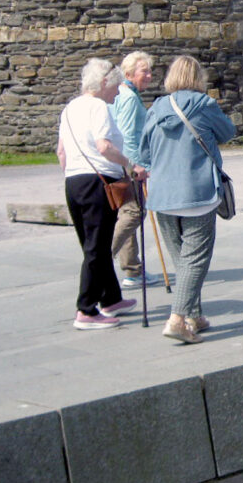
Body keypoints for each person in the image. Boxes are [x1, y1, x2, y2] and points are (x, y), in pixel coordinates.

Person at [139, 55, 236, 344]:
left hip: (162, 194)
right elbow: (228, 132)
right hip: (198, 192)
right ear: (198, 78)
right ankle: (178, 319)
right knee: (195, 259)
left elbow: (144, 154)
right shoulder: (204, 105)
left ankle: (194, 315)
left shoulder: (156, 108)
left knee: (182, 259)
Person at [57, 58, 143, 330]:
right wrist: (130, 165)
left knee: (94, 244)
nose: (118, 92)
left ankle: (110, 298)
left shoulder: (70, 108)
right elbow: (104, 146)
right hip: (98, 181)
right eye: (116, 86)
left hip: (74, 181)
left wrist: (72, 175)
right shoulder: (98, 107)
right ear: (104, 83)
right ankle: (86, 309)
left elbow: (61, 151)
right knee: (96, 246)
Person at [108, 51, 161, 287]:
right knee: (134, 213)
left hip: (123, 164)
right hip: (130, 166)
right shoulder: (128, 97)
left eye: (150, 71)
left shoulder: (123, 93)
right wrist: (135, 166)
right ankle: (106, 257)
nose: (149, 76)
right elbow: (127, 135)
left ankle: (132, 269)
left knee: (128, 213)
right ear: (129, 73)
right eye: (145, 71)